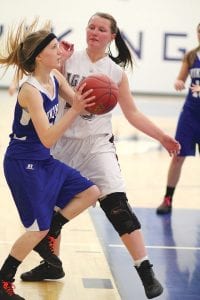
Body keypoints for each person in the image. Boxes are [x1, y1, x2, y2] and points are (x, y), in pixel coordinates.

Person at [20, 12, 181, 299]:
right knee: (51, 209)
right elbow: (34, 76)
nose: (94, 31)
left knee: (117, 204)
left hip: (97, 146)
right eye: (91, 26)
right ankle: (52, 265)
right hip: (62, 143)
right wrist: (60, 61)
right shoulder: (65, 59)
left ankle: (145, 270)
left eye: (101, 29)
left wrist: (162, 136)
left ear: (112, 37)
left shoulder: (116, 74)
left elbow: (131, 113)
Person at [0, 19, 101, 300]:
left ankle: (52, 230)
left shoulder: (55, 76)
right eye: (55, 47)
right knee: (36, 229)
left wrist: (98, 97)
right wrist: (76, 109)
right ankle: (3, 281)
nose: (61, 51)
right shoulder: (30, 90)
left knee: (91, 192)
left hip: (42, 160)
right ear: (39, 56)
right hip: (23, 163)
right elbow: (47, 136)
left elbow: (80, 105)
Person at [156, 23, 200, 215]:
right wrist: (178, 82)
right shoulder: (191, 55)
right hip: (190, 113)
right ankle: (168, 199)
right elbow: (180, 78)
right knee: (177, 156)